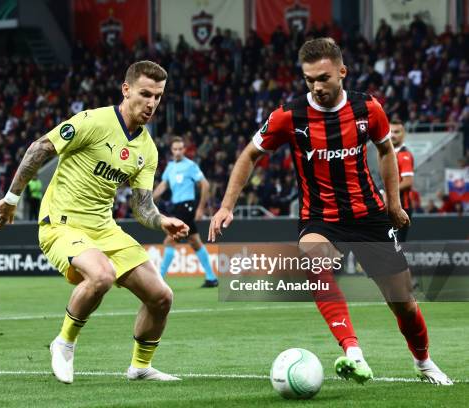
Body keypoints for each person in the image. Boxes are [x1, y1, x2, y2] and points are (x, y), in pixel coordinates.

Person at [209, 38, 452, 385]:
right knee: (313, 260)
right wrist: (226, 206)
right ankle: (352, 350)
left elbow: (386, 152)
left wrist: (394, 204)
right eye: (309, 79)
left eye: (323, 77)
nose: (316, 86)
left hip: (368, 214)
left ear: (342, 72)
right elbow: (250, 154)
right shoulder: (289, 116)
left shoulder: (368, 108)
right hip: (319, 217)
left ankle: (424, 361)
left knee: (404, 302)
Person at [0, 61, 188, 384]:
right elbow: (40, 148)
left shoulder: (147, 149)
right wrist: (12, 199)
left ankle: (140, 367)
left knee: (161, 296)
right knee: (101, 275)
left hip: (104, 227)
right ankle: (64, 344)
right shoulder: (93, 121)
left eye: (158, 97)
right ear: (126, 90)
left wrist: (162, 220)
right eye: (145, 94)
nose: (151, 103)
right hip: (62, 224)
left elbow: (142, 206)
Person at [153, 136, 218, 287]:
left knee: (169, 240)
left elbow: (205, 185)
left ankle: (159, 279)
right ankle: (211, 278)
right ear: (171, 150)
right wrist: (149, 199)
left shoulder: (190, 166)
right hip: (177, 208)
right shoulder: (170, 167)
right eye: (175, 149)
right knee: (195, 242)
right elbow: (163, 185)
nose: (177, 152)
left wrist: (201, 208)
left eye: (180, 149)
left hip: (187, 207)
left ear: (184, 150)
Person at [390, 120, 414, 242]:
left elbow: (408, 182)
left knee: (397, 246)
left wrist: (387, 192)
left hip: (402, 208)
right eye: (391, 131)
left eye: (396, 132)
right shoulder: (390, 154)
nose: (393, 135)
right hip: (392, 207)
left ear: (403, 134)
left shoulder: (404, 155)